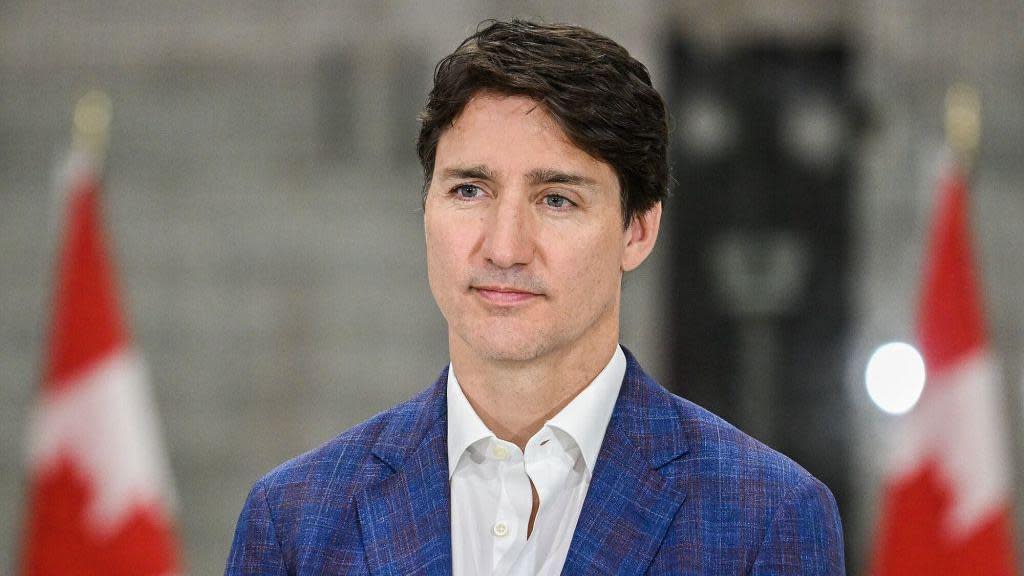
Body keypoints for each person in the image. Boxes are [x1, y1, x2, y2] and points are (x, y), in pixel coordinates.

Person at [226, 19, 845, 575]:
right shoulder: (294, 523)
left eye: (556, 199)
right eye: (469, 190)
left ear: (638, 230)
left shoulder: (765, 519)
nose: (504, 247)